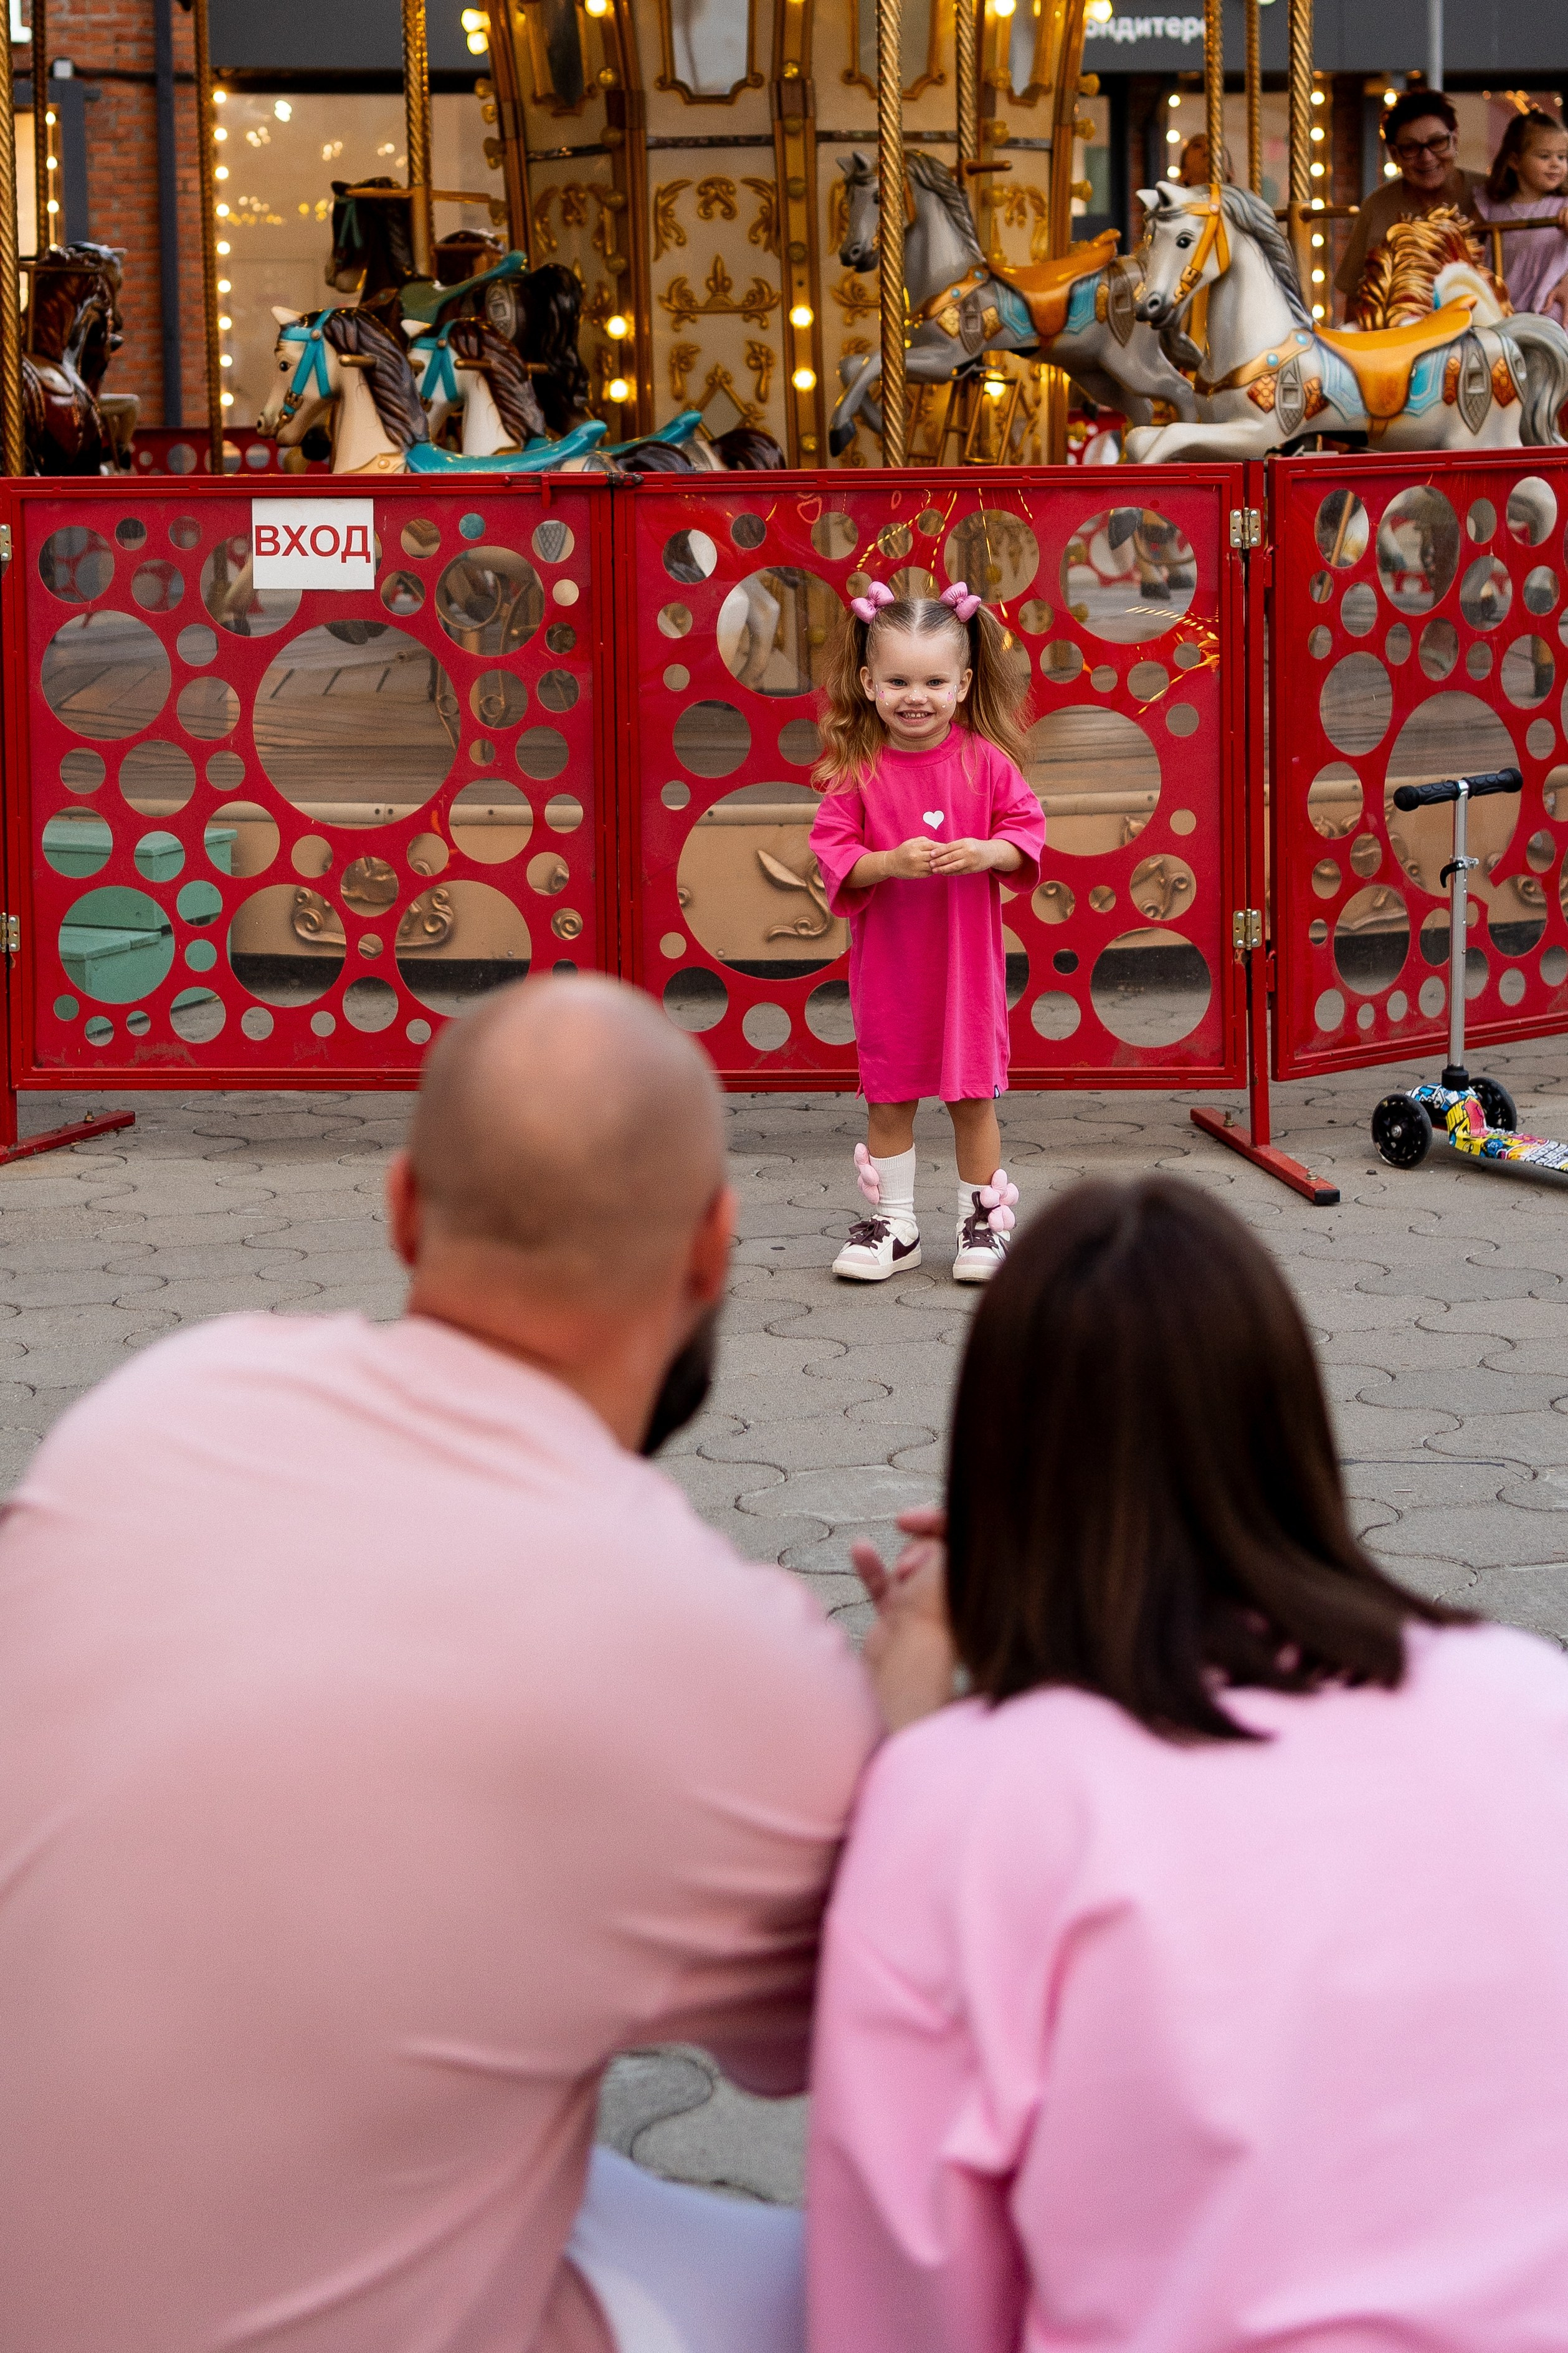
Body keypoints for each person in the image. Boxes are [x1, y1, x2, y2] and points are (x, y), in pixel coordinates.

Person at [0, 973, 880, 2353]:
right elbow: (850, 2030)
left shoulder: (154, 1407)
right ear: (713, 1246)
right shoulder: (720, 1650)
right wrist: (918, 1695)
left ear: (401, 1205)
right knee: (906, 2291)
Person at [809, 1175, 1568, 2351]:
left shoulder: (975, 1797)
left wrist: (908, 1725)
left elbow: (904, 2293)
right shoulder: (1531, 1700)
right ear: (1291, 1431)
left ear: (998, 1459)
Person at [807, 581, 1044, 1286]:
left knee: (972, 1097)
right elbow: (834, 854)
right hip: (890, 972)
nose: (917, 697)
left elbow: (1026, 836)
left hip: (965, 972)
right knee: (889, 1096)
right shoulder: (857, 770)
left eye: (935, 682)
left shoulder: (986, 762)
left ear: (963, 685)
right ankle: (896, 1225)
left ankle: (981, 1224)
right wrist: (887, 863)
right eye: (899, 681)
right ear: (868, 683)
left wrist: (988, 851)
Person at [1336, 88, 1481, 310]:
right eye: (1411, 148)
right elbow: (1355, 297)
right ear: (1395, 154)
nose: (1427, 157)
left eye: (1437, 142)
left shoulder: (1489, 195)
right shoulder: (1377, 207)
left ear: (1454, 140)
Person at [1475, 105, 1568, 320]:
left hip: (1547, 305)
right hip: (1500, 308)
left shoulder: (1563, 206)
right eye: (1545, 156)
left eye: (1562, 157)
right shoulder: (1491, 204)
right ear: (1515, 161)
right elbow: (1463, 240)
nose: (1556, 164)